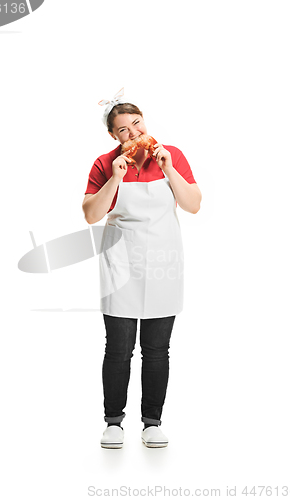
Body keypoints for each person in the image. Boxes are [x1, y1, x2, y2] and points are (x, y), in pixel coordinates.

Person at [82, 89, 202, 449]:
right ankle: (114, 423)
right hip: (120, 264)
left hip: (164, 261)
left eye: (137, 124)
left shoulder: (171, 155)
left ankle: (152, 421)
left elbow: (193, 204)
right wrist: (115, 179)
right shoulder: (105, 164)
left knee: (157, 349)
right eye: (123, 130)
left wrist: (167, 168)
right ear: (113, 136)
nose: (133, 134)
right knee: (118, 348)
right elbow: (90, 214)